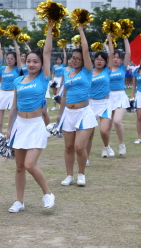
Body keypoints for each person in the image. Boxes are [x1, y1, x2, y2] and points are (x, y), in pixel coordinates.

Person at [6, 22, 55, 213]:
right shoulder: (18, 80)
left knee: (29, 164)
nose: (31, 64)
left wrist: (50, 27)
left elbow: (47, 51)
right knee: (19, 166)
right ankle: (19, 201)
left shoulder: (44, 77)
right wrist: (9, 127)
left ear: (42, 64)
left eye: (35, 61)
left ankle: (47, 193)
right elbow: (14, 106)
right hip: (20, 125)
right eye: (28, 61)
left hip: (35, 125)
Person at [58, 25, 96, 187]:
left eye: (77, 58)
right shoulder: (67, 73)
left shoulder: (87, 70)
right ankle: (69, 175)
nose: (74, 60)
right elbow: (64, 95)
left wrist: (81, 31)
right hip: (68, 112)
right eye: (72, 58)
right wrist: (60, 114)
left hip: (83, 112)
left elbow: (85, 50)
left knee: (79, 147)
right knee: (68, 147)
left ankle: (81, 174)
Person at [86, 45, 113, 159]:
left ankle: (106, 146)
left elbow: (111, 53)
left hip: (104, 104)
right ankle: (86, 159)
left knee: (103, 130)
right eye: (97, 59)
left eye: (102, 59)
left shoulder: (107, 70)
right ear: (94, 61)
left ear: (106, 62)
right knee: (89, 134)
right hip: (91, 104)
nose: (99, 61)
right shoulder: (89, 72)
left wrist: (110, 38)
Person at [0, 38, 22, 135]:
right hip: (2, 93)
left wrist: (14, 40)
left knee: (11, 120)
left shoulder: (17, 69)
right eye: (8, 58)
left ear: (15, 60)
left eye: (11, 59)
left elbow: (18, 54)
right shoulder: (2, 68)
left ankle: (10, 138)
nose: (9, 60)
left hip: (12, 94)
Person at [107, 35, 131, 156]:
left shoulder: (122, 68)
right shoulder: (107, 68)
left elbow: (129, 53)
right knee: (107, 125)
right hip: (108, 97)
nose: (116, 59)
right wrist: (109, 38)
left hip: (121, 96)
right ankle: (107, 147)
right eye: (114, 57)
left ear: (121, 60)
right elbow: (110, 53)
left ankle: (122, 145)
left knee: (117, 121)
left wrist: (125, 37)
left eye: (118, 57)